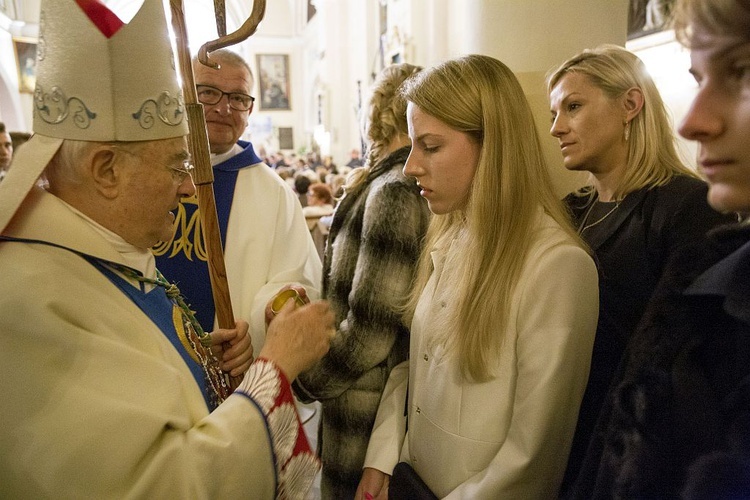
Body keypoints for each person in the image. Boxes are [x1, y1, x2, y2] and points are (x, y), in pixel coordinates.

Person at [0, 0, 334, 497]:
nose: (187, 189)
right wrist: (277, 366)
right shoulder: (31, 301)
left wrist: (196, 357)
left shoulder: (102, 254)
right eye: (176, 167)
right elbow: (165, 483)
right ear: (106, 170)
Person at [357, 54, 600, 499]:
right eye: (413, 145)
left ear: (493, 148)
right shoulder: (448, 236)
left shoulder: (557, 267)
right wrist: (385, 453)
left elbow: (532, 461)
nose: (411, 166)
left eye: (430, 147)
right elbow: (417, 362)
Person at [568, 2, 750, 497]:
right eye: (700, 79)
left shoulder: (686, 210)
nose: (692, 122)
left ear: (630, 105)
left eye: (742, 72)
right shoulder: (569, 210)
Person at [291, 63, 430, 499]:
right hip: (361, 398)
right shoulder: (386, 182)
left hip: (367, 407)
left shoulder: (395, 190)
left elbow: (372, 328)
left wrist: (306, 375)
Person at [153, 48, 322, 352]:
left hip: (233, 369)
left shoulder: (274, 194)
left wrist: (254, 330)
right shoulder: (144, 174)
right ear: (182, 97)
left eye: (238, 99)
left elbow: (296, 281)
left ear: (249, 111)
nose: (224, 108)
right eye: (208, 93)